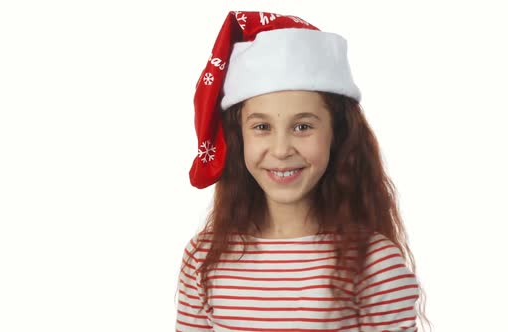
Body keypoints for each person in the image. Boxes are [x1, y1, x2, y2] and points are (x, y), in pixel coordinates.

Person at [176, 10, 431, 332]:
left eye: (302, 126)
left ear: (337, 135)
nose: (282, 149)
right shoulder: (204, 256)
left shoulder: (374, 262)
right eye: (262, 127)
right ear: (238, 138)